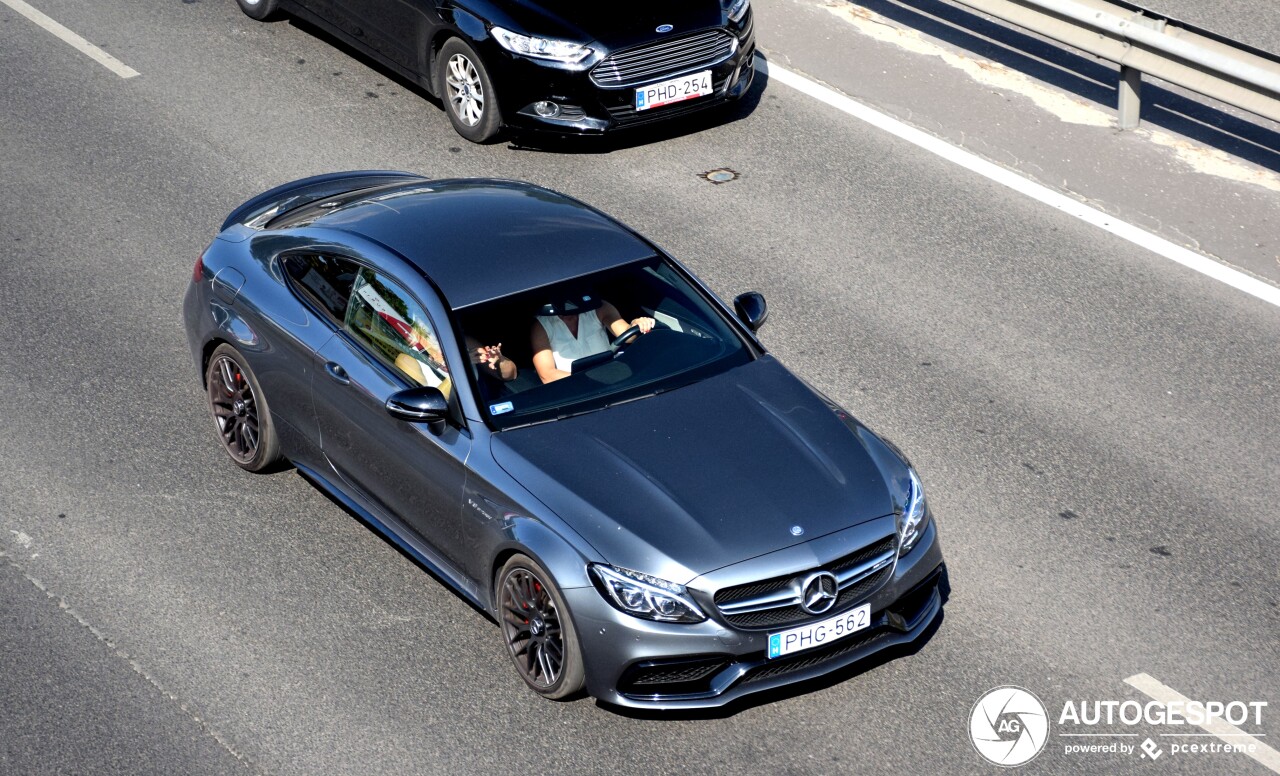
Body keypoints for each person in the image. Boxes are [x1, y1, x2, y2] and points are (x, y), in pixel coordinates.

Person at [531, 296, 654, 384]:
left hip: (614, 380)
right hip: (574, 389)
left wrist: (637, 323)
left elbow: (628, 336)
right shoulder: (541, 326)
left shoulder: (599, 308)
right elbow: (547, 375)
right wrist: (590, 380)